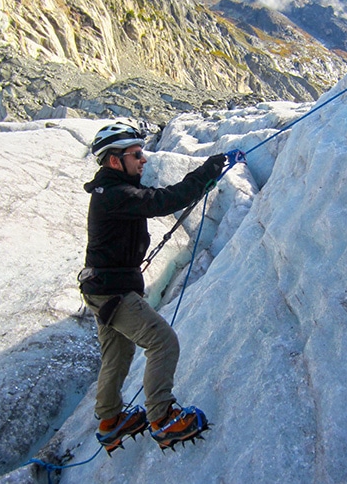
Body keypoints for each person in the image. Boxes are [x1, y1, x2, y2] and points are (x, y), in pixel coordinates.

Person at [80, 122, 227, 451]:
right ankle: (162, 418)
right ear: (115, 160)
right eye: (136, 154)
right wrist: (210, 169)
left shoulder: (111, 191)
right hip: (112, 291)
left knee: (118, 354)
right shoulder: (116, 194)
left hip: (104, 287)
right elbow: (164, 200)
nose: (143, 159)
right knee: (162, 342)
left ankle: (110, 420)